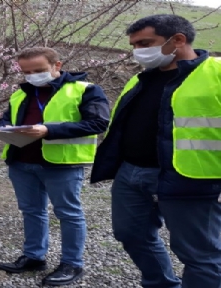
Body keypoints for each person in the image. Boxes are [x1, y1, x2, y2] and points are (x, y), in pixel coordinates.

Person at [90, 14, 221, 288]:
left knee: (200, 254)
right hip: (131, 173)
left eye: (145, 43)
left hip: (190, 176)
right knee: (131, 234)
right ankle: (160, 284)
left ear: (178, 40)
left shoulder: (215, 73)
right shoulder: (140, 79)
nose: (138, 51)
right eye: (134, 45)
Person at [0, 47, 110, 286]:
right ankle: (34, 257)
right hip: (22, 161)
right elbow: (6, 118)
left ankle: (72, 264)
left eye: (38, 70)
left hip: (62, 164)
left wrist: (49, 130)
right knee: (31, 211)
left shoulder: (85, 90)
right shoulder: (21, 93)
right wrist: (5, 127)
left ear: (57, 65)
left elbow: (98, 122)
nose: (32, 75)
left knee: (69, 214)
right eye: (26, 71)